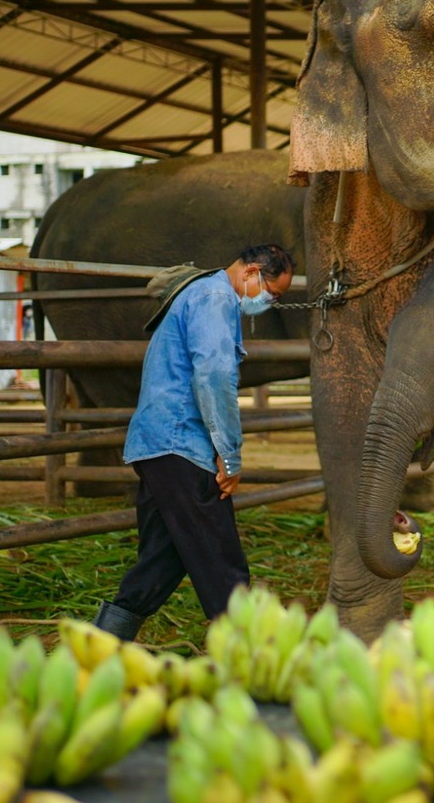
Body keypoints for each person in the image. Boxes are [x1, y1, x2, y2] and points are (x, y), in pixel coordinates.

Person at [93, 243, 297, 641]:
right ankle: (249, 653)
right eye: (274, 293)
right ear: (252, 273)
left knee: (163, 555)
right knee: (220, 556)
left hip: (157, 446)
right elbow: (215, 377)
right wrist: (230, 456)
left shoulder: (201, 293)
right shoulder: (217, 298)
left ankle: (104, 641)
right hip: (181, 443)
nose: (271, 302)